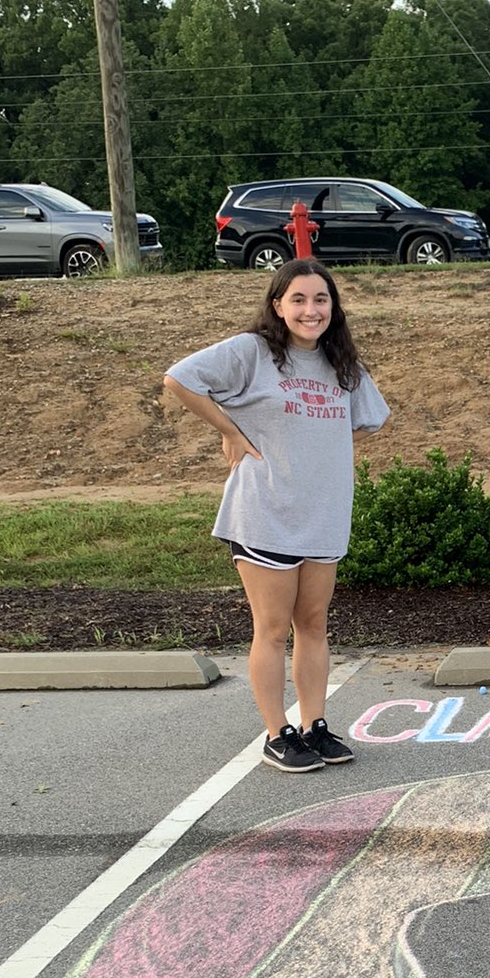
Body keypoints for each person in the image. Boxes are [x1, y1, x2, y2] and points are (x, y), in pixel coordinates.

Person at [162, 259, 389, 771]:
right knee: (271, 629)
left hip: (324, 514)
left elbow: (366, 421)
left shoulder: (342, 363)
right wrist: (232, 430)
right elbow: (180, 379)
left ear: (334, 306)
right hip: (265, 510)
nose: (312, 310)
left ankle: (315, 726)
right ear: (278, 306)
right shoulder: (254, 352)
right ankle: (277, 733)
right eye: (300, 300)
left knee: (313, 624)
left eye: (322, 300)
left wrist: (311, 452)